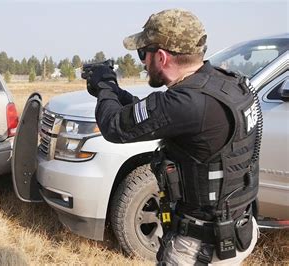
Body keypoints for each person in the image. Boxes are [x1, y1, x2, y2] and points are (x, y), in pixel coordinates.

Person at [84, 9, 261, 265]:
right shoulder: (226, 84)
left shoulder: (188, 103)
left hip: (199, 246)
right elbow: (153, 116)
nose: (143, 63)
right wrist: (115, 92)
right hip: (236, 227)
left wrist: (104, 86)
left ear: (162, 56)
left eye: (143, 54)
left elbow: (114, 126)